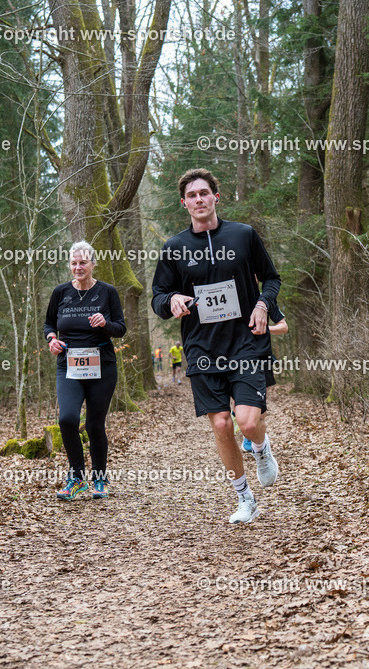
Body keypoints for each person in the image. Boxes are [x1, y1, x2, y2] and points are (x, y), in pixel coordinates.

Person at [151, 168, 280, 524]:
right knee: (222, 424)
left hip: (246, 342)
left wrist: (262, 305)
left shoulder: (243, 235)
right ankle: (244, 498)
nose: (199, 200)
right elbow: (158, 297)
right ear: (184, 203)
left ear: (215, 197)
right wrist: (171, 300)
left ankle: (261, 447)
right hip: (202, 348)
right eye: (192, 196)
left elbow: (271, 278)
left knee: (248, 422)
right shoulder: (174, 248)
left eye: (204, 193)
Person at [44, 241, 126, 500]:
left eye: (83, 262)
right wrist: (51, 340)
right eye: (74, 263)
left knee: (94, 424)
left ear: (93, 263)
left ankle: (100, 478)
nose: (78, 267)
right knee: (67, 419)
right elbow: (49, 324)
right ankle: (77, 478)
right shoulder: (61, 292)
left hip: (102, 365)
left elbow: (121, 329)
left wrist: (105, 324)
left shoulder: (107, 292)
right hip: (68, 364)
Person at [242, 299, 287, 452]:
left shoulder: (266, 300)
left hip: (262, 357)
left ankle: (252, 437)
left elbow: (284, 327)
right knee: (237, 400)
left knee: (261, 404)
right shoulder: (234, 297)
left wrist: (266, 328)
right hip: (236, 358)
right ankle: (244, 425)